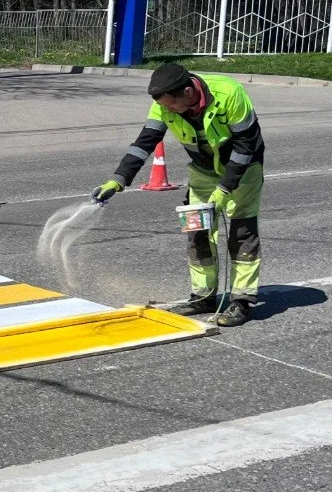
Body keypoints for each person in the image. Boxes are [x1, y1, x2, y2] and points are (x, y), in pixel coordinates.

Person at [91, 63, 265, 327]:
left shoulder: (229, 93)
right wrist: (118, 179)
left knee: (242, 233)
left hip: (243, 169)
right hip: (203, 171)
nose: (168, 110)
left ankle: (241, 301)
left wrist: (224, 189)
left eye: (172, 105)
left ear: (188, 91)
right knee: (197, 232)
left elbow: (245, 146)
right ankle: (203, 296)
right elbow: (144, 143)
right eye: (165, 106)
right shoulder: (163, 104)